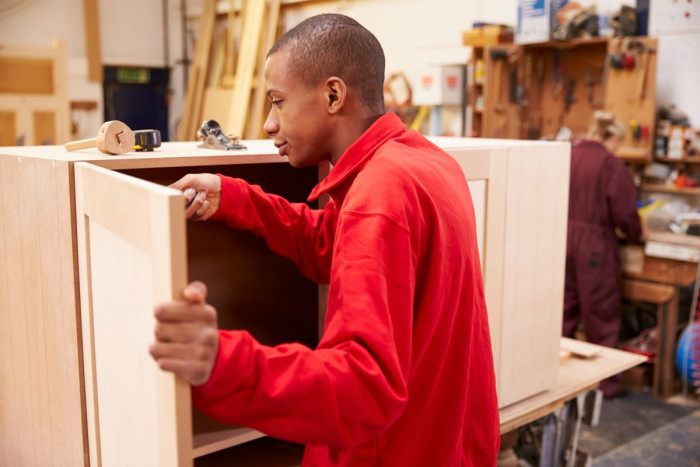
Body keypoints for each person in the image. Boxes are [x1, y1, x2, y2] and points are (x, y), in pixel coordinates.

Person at [149, 13, 499, 465]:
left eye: (278, 102)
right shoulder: (425, 163)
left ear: (333, 95)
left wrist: (222, 364)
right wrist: (235, 197)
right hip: (446, 442)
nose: (269, 125)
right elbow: (336, 249)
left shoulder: (380, 193)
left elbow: (364, 387)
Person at [563, 110, 643, 398]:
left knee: (564, 313)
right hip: (594, 245)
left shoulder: (567, 155)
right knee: (601, 314)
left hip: (562, 239)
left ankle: (560, 379)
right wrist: (636, 234)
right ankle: (605, 386)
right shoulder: (610, 164)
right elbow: (624, 212)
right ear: (612, 137)